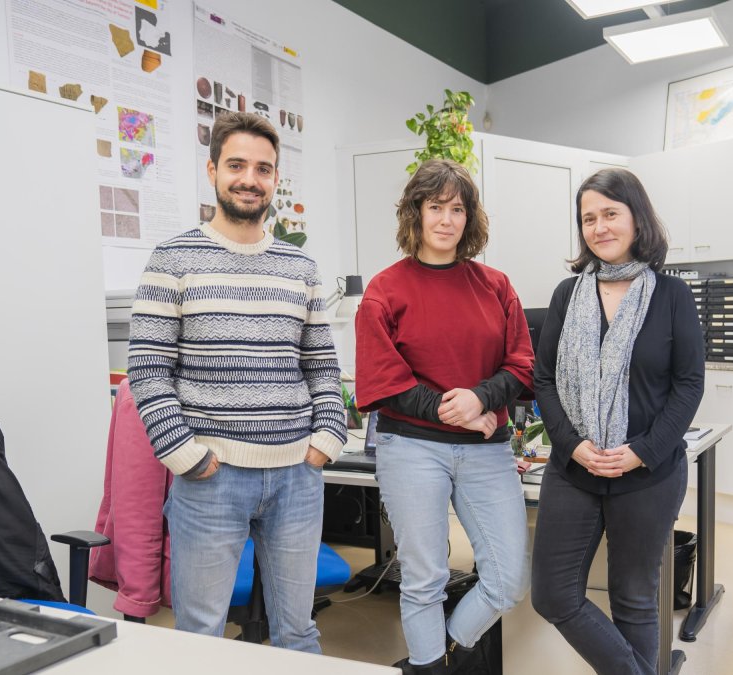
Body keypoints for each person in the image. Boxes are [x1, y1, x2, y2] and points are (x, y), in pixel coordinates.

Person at [128, 111, 346, 652]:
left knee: (299, 632)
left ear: (275, 180)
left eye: (263, 168)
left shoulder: (300, 268)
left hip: (297, 477)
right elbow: (148, 368)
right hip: (210, 480)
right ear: (212, 171)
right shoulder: (172, 258)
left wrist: (326, 440)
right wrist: (185, 455)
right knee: (201, 638)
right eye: (237, 165)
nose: (250, 178)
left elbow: (321, 365)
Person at [355, 159, 534, 674]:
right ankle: (429, 664)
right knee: (425, 578)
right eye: (436, 207)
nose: (447, 219)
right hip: (410, 448)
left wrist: (481, 399)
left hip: (487, 450)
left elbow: (522, 362)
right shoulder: (385, 290)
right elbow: (381, 380)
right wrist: (456, 413)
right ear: (416, 212)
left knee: (507, 580)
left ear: (469, 219)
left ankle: (444, 653)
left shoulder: (495, 285)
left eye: (458, 209)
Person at [531, 168, 705, 675]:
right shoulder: (568, 294)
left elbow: (688, 385)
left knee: (633, 600)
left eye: (610, 214)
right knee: (553, 594)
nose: (599, 227)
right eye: (589, 218)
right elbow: (544, 380)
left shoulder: (672, 296)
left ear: (636, 218)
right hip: (575, 468)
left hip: (648, 472)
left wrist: (641, 451)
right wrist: (573, 445)